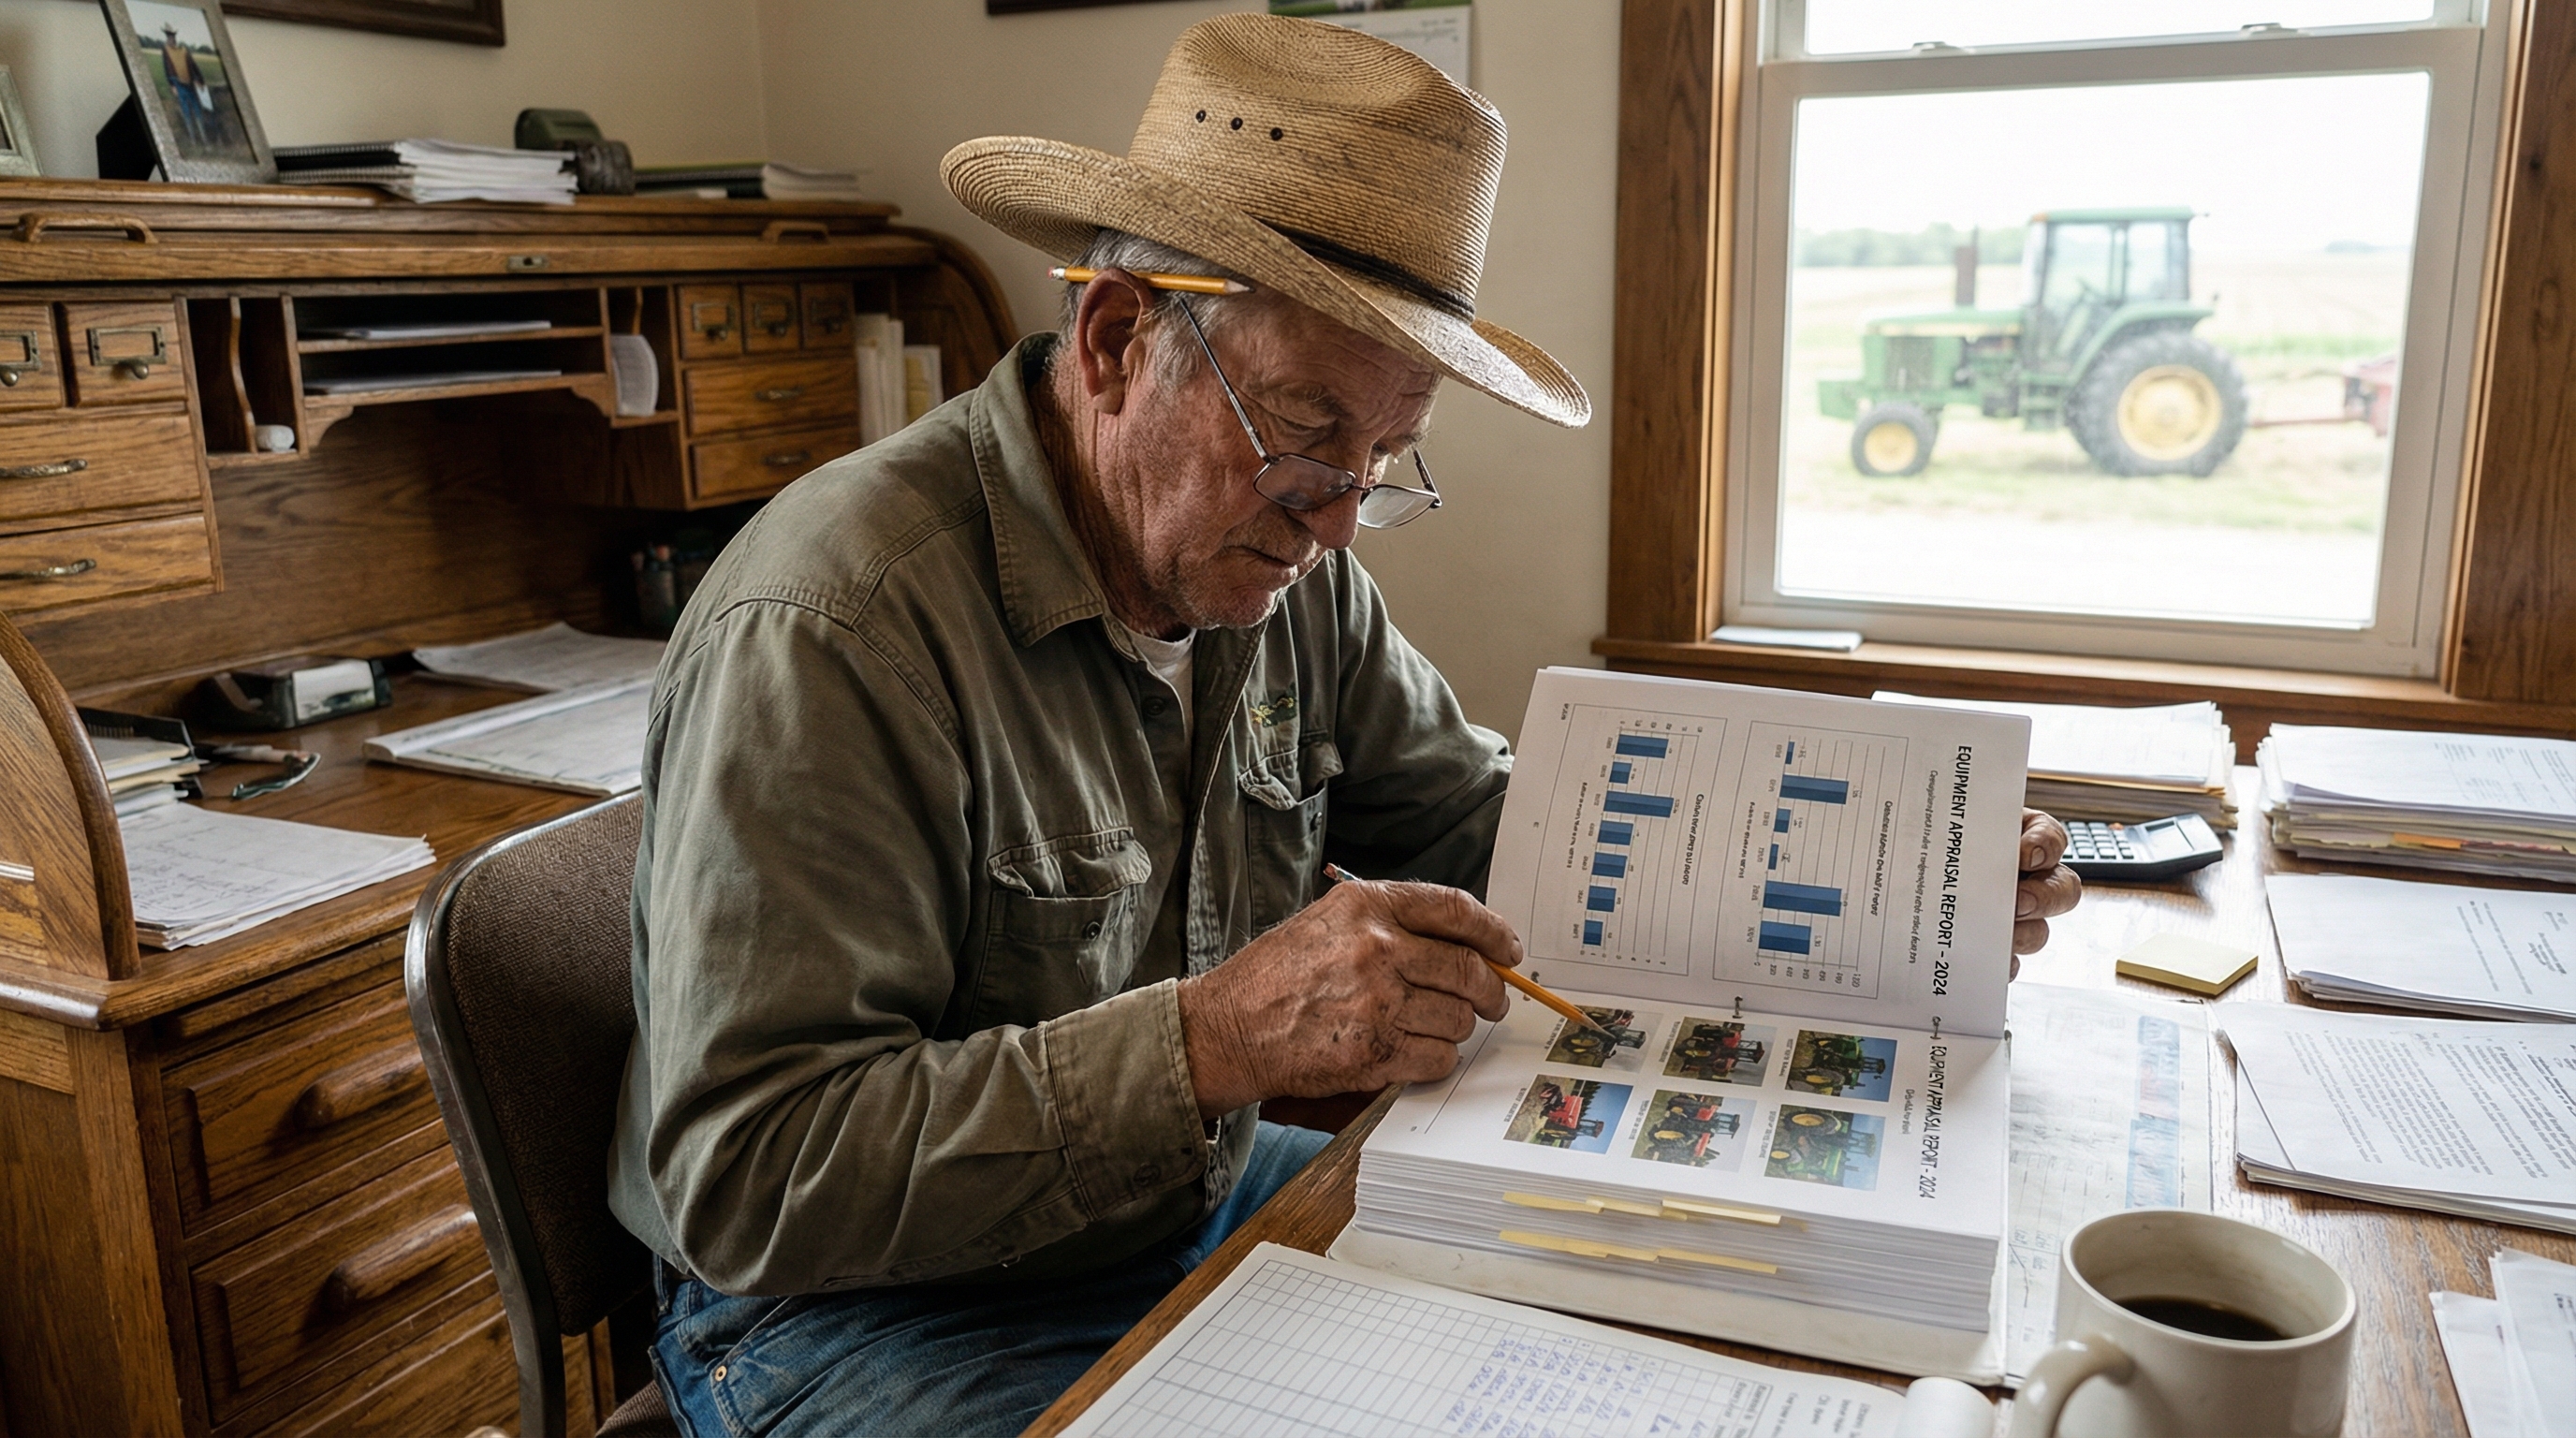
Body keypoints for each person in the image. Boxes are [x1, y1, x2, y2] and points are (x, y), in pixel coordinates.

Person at [607, 14, 2081, 1436]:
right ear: (1119, 340)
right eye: (1310, 434)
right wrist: (1217, 1039)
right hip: (854, 1312)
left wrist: (1887, 881)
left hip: (1169, 1208)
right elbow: (753, 1174)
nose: (1339, 519)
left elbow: (1507, 838)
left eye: (1389, 457)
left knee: (1631, 1343)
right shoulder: (831, 630)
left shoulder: (1287, 576)